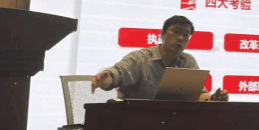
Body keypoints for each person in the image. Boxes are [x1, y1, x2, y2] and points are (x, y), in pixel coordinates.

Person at [91, 15, 228, 101]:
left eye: (186, 34)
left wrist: (213, 98)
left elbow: (197, 94)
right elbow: (116, 74)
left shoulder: (188, 61)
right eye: (176, 31)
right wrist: (105, 79)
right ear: (162, 34)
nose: (180, 38)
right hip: (135, 119)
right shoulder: (140, 58)